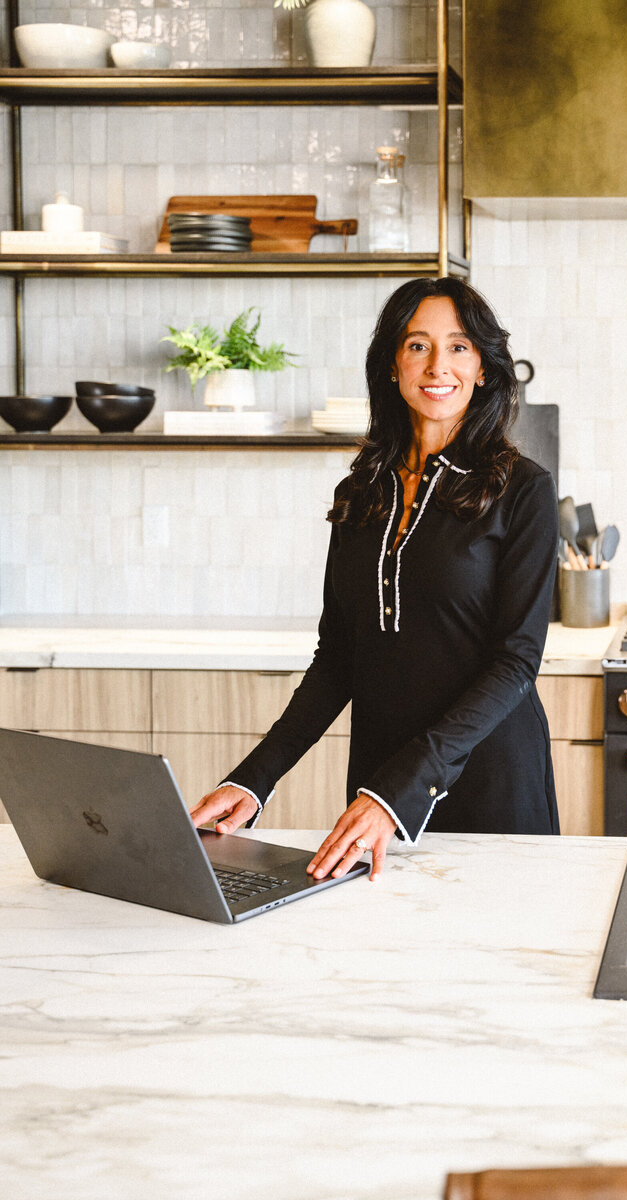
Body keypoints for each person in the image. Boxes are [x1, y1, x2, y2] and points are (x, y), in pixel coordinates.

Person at [190, 277, 559, 881]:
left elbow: (516, 663)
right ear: (392, 364)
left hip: (489, 778)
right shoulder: (360, 493)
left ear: (485, 368)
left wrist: (399, 792)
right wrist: (254, 779)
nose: (438, 365)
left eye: (460, 347)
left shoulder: (524, 490)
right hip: (377, 783)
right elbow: (339, 657)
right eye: (417, 346)